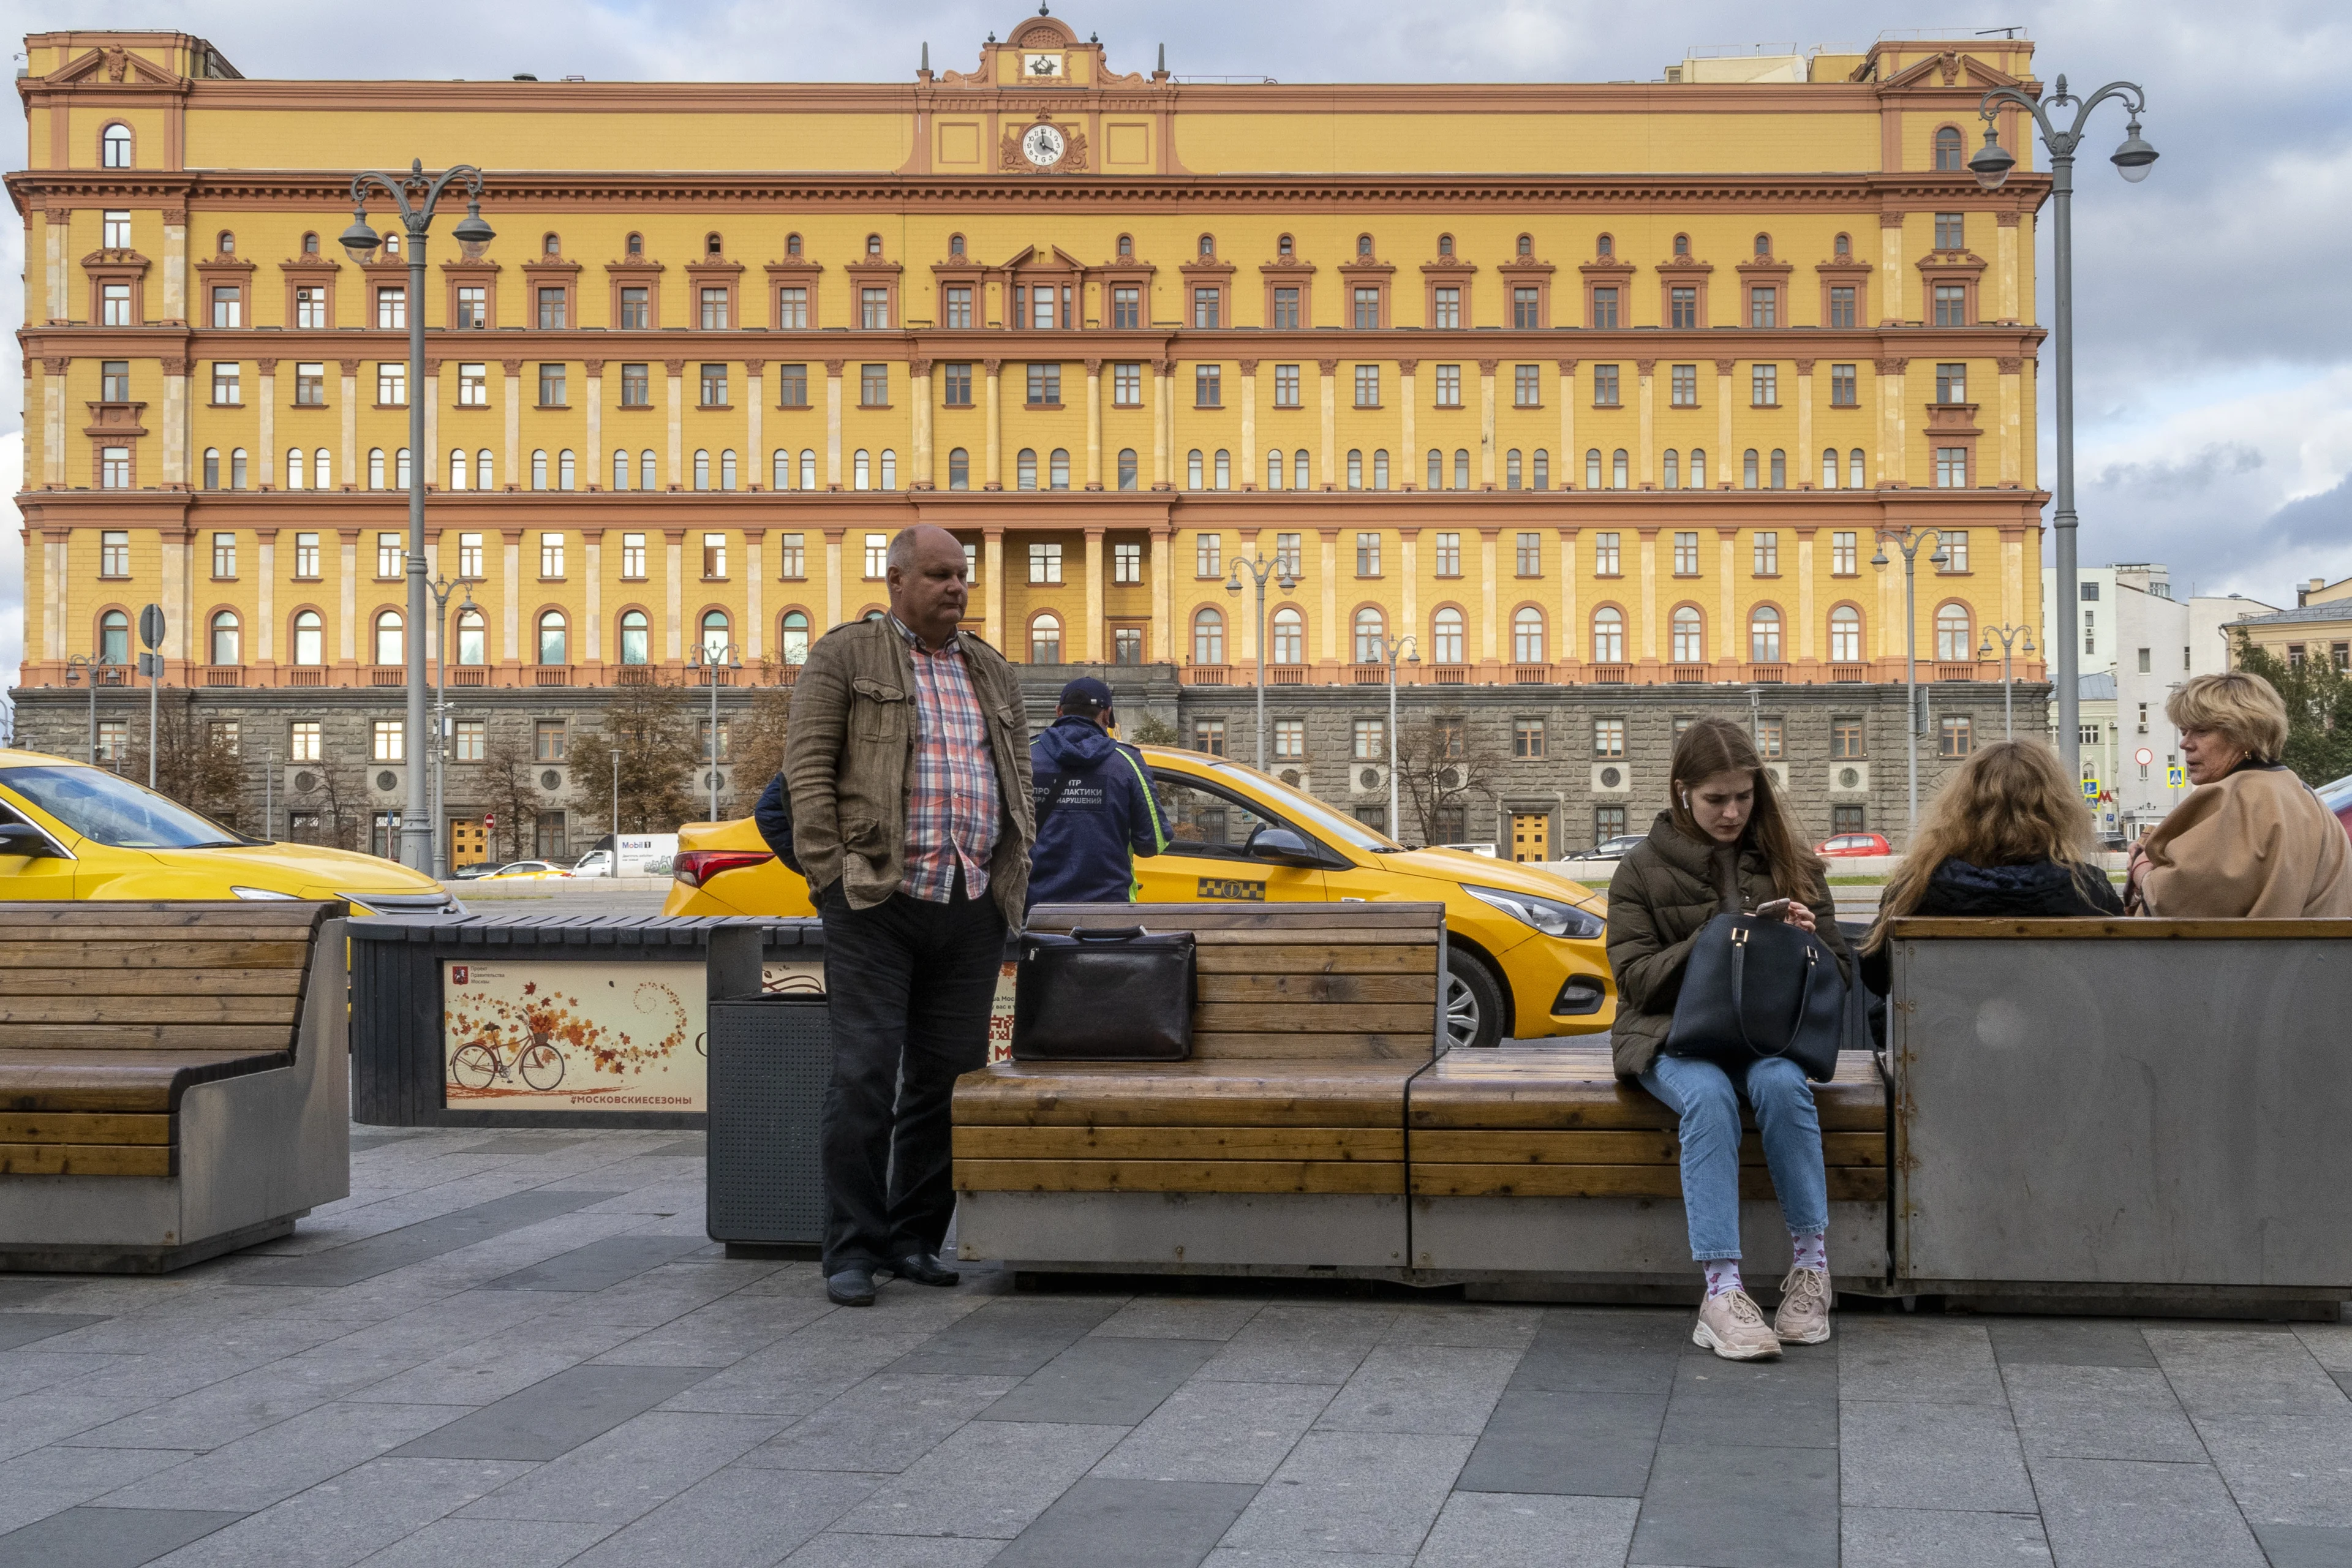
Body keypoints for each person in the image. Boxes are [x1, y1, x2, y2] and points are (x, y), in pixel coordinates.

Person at [783, 524, 1035, 1307]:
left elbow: (1019, 776)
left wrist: (1013, 864)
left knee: (945, 1081)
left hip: (969, 902)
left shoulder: (990, 668)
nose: (956, 587)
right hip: (876, 902)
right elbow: (806, 773)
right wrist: (832, 877)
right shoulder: (845, 656)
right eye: (938, 574)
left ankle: (913, 1238)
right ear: (896, 581)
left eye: (962, 574)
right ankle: (852, 1249)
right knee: (864, 1074)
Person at [1606, 717, 1853, 1362]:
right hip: (1670, 1036)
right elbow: (1634, 981)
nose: (1732, 812)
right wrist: (1717, 939)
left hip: (1766, 1039)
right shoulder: (1640, 869)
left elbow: (1841, 976)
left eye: (1744, 796)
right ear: (1682, 791)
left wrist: (1805, 944)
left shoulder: (1791, 862)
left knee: (1783, 1085)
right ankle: (1721, 1291)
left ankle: (1812, 1269)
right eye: (1716, 799)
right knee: (1709, 1097)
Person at [1858, 741, 2124, 994]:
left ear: (1961, 808)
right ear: (2058, 809)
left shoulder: (1918, 885)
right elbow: (2117, 975)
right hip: (2062, 1025)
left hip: (1937, 1026)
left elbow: (1876, 974)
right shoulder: (2088, 889)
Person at [2125, 671, 2352, 918]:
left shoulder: (2241, 797)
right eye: (2184, 732)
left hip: (2261, 945)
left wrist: (2141, 866)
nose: (2185, 744)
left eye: (2201, 731)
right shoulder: (2300, 792)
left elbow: (2177, 901)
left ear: (2244, 734)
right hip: (2317, 944)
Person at [1027, 676, 1168, 907]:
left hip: (1034, 909)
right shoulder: (1127, 762)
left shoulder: (1025, 757)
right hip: (1108, 910)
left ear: (1059, 712)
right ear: (1106, 715)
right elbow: (1152, 843)